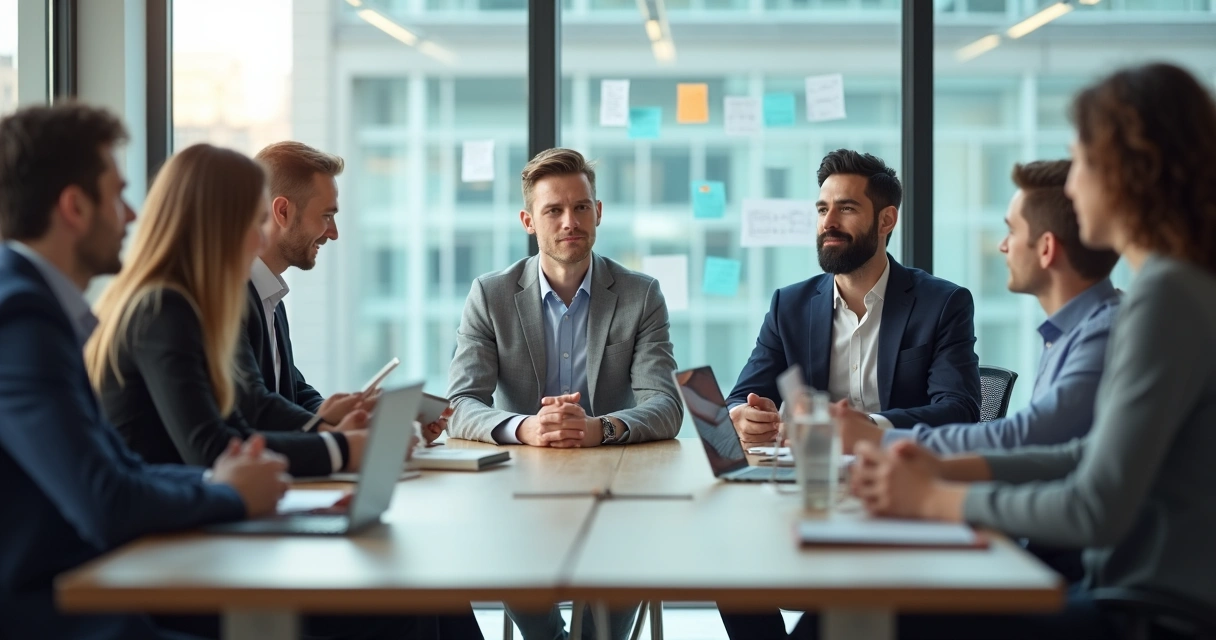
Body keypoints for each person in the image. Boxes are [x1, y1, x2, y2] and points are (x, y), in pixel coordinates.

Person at [766, 62, 1216, 640]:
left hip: (1146, 615)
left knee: (840, 622)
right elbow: (1084, 455)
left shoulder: (1166, 296)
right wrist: (940, 467)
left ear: (1132, 168)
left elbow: (1093, 504)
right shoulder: (1176, 287)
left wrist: (933, 498)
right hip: (1132, 596)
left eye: (1081, 164)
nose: (1072, 190)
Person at [0, 103, 288, 640]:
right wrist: (229, 493)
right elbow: (106, 499)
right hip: (57, 612)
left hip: (101, 582)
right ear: (74, 208)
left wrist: (217, 480)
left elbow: (120, 468)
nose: (132, 215)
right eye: (117, 194)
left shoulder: (36, 306)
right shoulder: (20, 317)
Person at [447, 147, 683, 639]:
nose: (569, 221)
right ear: (529, 221)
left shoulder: (641, 294)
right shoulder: (490, 295)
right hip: (520, 492)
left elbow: (665, 405)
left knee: (612, 594)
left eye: (580, 207)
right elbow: (460, 404)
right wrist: (525, 427)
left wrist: (600, 428)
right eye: (553, 210)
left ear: (598, 212)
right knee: (506, 552)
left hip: (616, 487)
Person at [84, 144, 366, 478]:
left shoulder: (181, 304)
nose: (262, 242)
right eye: (256, 222)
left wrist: (333, 438)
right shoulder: (162, 309)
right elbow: (210, 449)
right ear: (217, 225)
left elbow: (235, 433)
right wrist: (341, 448)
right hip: (157, 526)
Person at [837, 160, 1121, 457]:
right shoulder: (1066, 334)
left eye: (1012, 231)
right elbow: (1050, 459)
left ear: (1046, 249)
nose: (1002, 245)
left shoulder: (1103, 335)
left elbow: (1030, 436)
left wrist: (877, 439)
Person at [727, 149, 981, 450]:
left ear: (886, 220)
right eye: (822, 210)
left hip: (902, 472)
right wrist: (743, 415)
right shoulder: (789, 306)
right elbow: (743, 396)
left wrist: (868, 428)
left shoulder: (942, 304)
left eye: (846, 209)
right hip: (811, 475)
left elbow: (959, 410)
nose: (828, 222)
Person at [244, 141, 451, 442]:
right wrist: (338, 436)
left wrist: (366, 419)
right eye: (326, 216)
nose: (334, 232)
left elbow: (292, 392)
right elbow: (256, 408)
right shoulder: (232, 299)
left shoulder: (269, 295)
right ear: (283, 211)